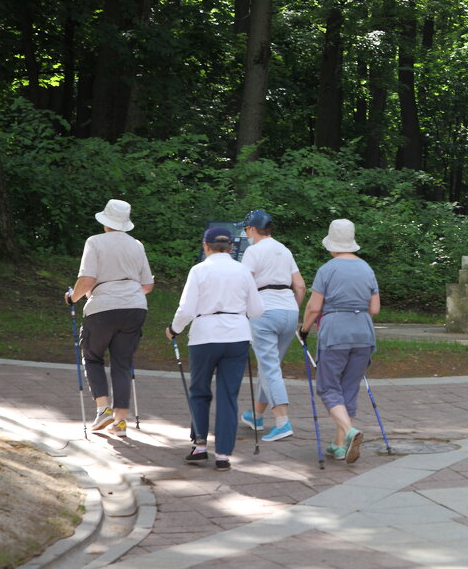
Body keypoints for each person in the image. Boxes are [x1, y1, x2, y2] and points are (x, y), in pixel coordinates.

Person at [167, 227, 264, 470]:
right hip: (236, 336)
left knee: (199, 391)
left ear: (205, 245)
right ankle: (223, 455)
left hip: (205, 335)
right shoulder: (243, 271)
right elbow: (257, 310)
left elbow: (187, 309)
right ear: (231, 247)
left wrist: (174, 329)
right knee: (228, 395)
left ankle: (200, 445)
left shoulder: (199, 270)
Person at [68, 199, 154, 437]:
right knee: (122, 363)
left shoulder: (94, 242)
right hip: (135, 308)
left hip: (103, 308)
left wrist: (72, 298)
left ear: (105, 221)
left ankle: (103, 408)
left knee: (93, 357)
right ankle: (120, 422)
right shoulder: (137, 245)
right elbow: (148, 285)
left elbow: (86, 280)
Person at [300, 219, 379, 463]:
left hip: (336, 333)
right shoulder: (367, 268)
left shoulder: (327, 269)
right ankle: (338, 445)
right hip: (363, 334)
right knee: (349, 389)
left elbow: (314, 307)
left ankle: (350, 432)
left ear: (332, 243)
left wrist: (304, 330)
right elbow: (374, 308)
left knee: (327, 387)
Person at [238, 209, 305, 442]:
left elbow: (244, 284)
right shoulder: (284, 250)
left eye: (246, 229)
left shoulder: (253, 251)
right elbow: (301, 286)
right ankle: (256, 415)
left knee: (269, 368)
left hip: (264, 311)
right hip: (289, 310)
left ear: (253, 229)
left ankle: (282, 421)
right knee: (271, 366)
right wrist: (293, 309)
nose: (246, 233)